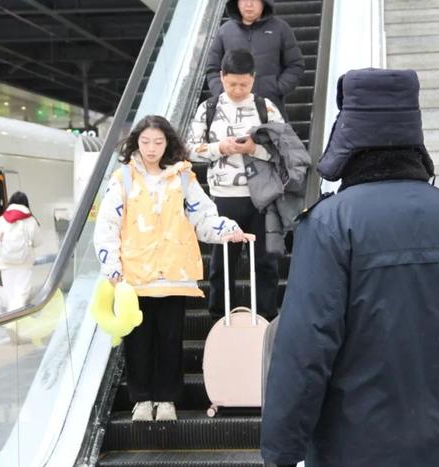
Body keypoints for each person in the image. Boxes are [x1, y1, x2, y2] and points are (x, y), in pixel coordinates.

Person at [261, 68, 439, 467]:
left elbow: (305, 346)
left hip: (351, 446)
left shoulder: (331, 223)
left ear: (348, 134)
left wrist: (281, 450)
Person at [94, 115, 249, 422]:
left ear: (168, 144)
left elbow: (202, 214)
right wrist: (111, 264)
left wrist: (227, 230)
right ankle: (141, 399)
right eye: (146, 142)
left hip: (174, 275)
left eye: (158, 142)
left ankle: (167, 400)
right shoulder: (123, 178)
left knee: (169, 339)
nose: (151, 149)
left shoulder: (182, 177)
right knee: (137, 341)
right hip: (135, 276)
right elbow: (107, 224)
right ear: (136, 142)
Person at [188, 48, 283, 320]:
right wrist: (221, 148)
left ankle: (266, 321)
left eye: (243, 84)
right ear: (221, 77)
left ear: (253, 79)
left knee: (266, 262)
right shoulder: (208, 109)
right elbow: (189, 150)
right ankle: (219, 321)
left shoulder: (266, 108)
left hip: (262, 197)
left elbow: (285, 151)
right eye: (231, 84)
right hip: (223, 196)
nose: (238, 90)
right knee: (222, 265)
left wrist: (253, 149)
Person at [205, 0, 304, 117]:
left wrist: (277, 88)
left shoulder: (280, 29)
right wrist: (223, 91)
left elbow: (295, 65)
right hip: (232, 112)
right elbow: (212, 68)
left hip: (270, 109)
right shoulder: (224, 31)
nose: (249, 4)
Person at [0, 191, 42, 312]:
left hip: (6, 264)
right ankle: (16, 320)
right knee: (21, 295)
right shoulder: (31, 220)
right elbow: (38, 241)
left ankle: (11, 320)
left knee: (10, 296)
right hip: (24, 264)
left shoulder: (1, 220)